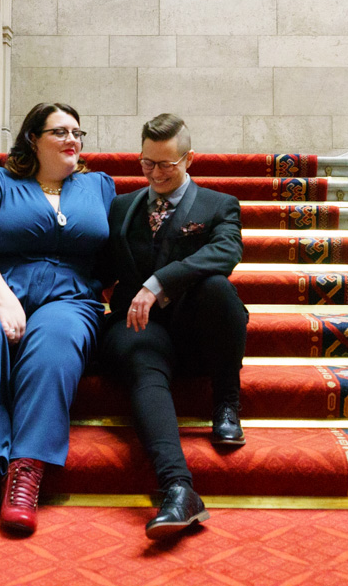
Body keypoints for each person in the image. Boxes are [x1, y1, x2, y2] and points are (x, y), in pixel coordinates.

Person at [0, 102, 114, 536]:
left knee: (57, 338)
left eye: (77, 132)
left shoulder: (99, 186)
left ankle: (24, 474)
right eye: (60, 132)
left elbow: (122, 249)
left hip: (71, 297)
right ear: (33, 139)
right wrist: (3, 299)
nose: (72, 140)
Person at [99, 113, 249, 539]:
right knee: (139, 354)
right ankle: (179, 491)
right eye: (147, 163)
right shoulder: (122, 206)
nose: (156, 174)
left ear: (189, 159)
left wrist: (158, 283)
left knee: (218, 288)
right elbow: (101, 267)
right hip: (139, 328)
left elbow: (226, 253)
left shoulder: (219, 205)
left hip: (196, 329)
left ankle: (226, 402)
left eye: (167, 164)